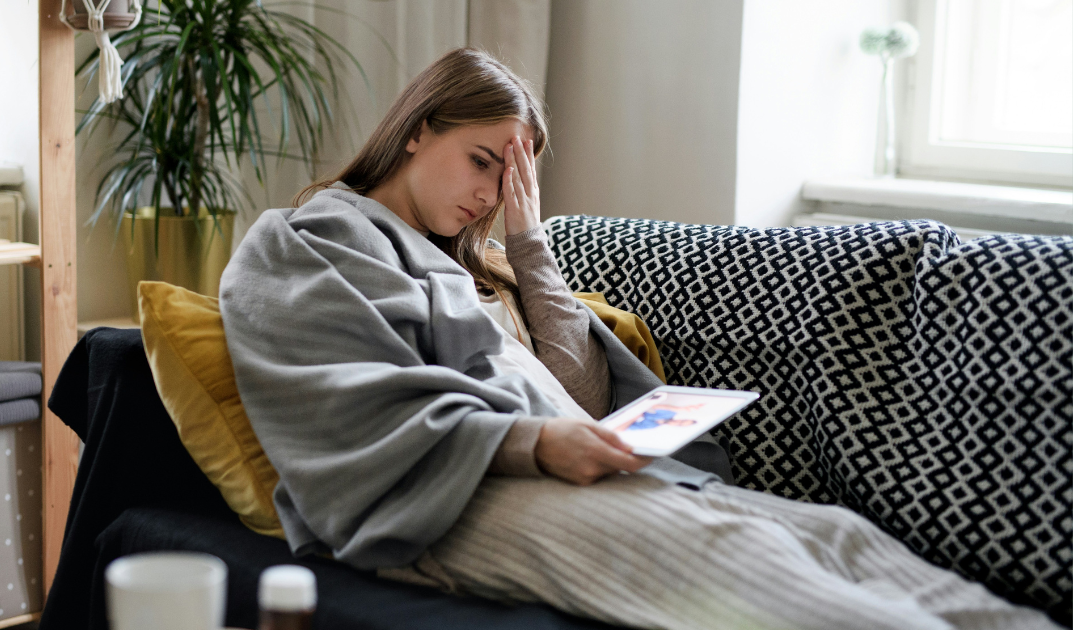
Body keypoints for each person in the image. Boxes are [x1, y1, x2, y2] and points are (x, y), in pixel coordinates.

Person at [219, 48, 1059, 630]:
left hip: (573, 473)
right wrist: (540, 443)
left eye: (510, 179)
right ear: (417, 130)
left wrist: (527, 243)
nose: (488, 193)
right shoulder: (307, 240)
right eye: (483, 161)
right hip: (447, 503)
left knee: (840, 538)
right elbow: (342, 404)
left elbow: (582, 400)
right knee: (767, 574)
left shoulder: (480, 270)